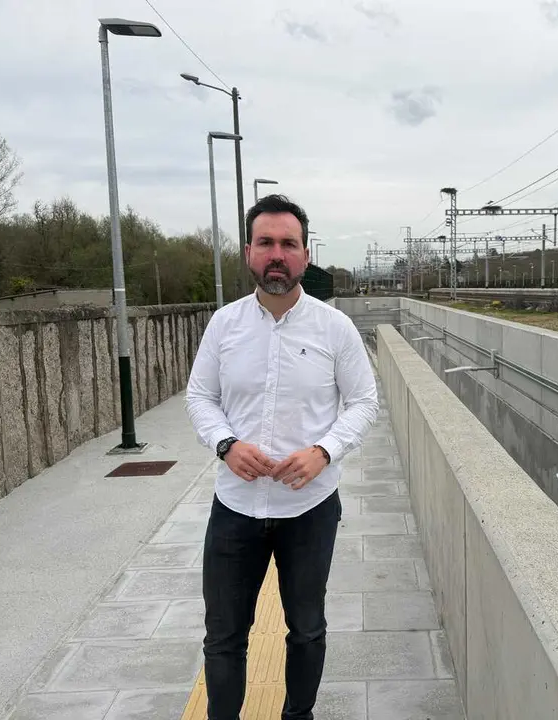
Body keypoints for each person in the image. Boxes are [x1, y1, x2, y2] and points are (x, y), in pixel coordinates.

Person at [184, 194, 379, 720]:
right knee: (224, 635)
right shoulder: (223, 325)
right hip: (236, 508)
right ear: (249, 251)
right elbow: (199, 397)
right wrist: (225, 444)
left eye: (288, 244)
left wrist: (324, 451)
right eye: (266, 243)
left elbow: (364, 402)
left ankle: (299, 715)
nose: (277, 254)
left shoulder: (334, 328)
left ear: (305, 255)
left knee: (307, 628)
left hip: (309, 508)